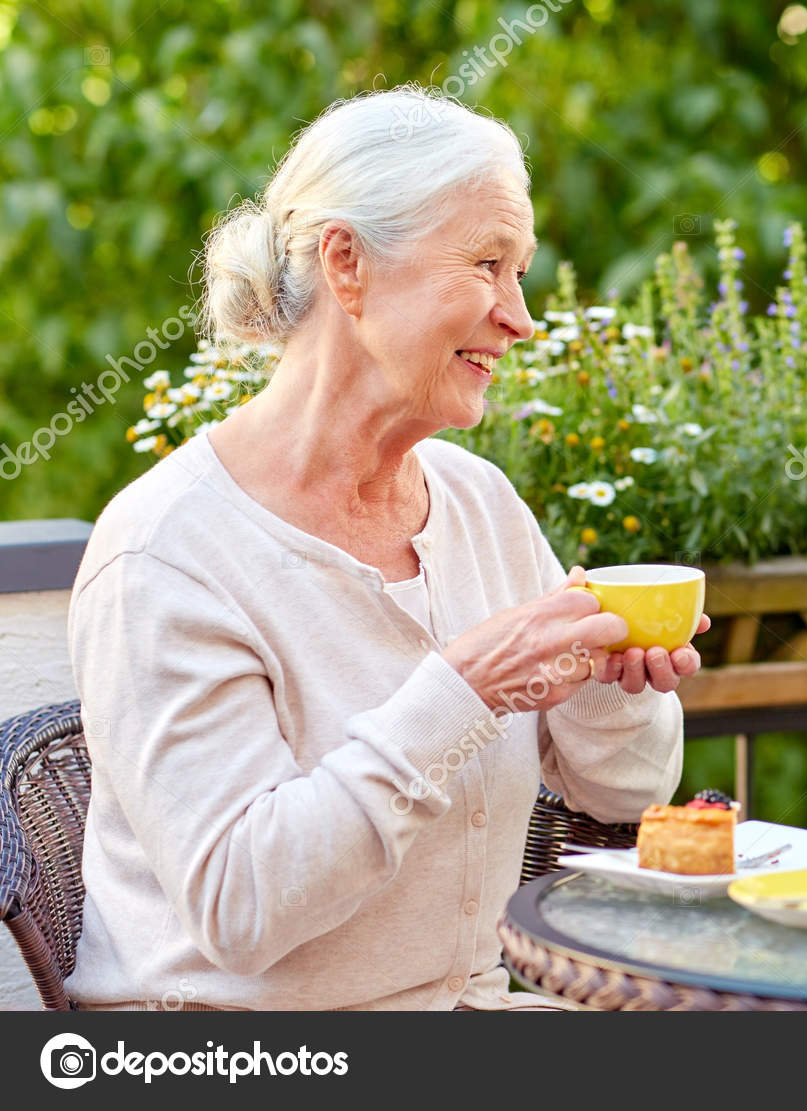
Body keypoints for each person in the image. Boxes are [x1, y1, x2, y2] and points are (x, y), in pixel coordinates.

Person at [67, 85, 706, 1010]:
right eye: (489, 263)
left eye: (520, 271)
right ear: (347, 263)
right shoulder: (167, 551)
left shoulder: (478, 503)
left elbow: (624, 794)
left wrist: (609, 683)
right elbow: (242, 907)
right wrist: (464, 688)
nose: (521, 318)